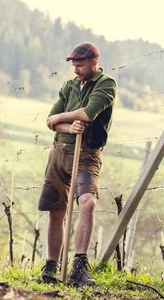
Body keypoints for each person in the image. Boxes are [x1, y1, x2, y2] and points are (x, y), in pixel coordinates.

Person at [38, 42, 117, 286]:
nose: (76, 70)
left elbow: (88, 113)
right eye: (74, 66)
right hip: (59, 151)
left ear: (94, 63)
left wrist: (60, 118)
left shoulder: (106, 84)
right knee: (55, 208)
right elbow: (50, 121)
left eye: (80, 66)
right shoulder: (69, 86)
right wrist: (65, 124)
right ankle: (52, 266)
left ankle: (79, 268)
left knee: (88, 202)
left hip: (87, 153)